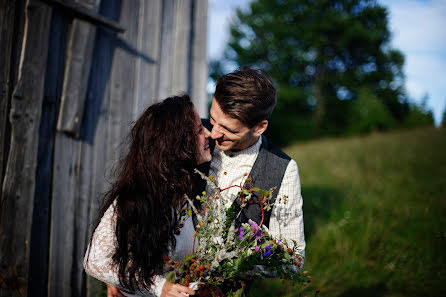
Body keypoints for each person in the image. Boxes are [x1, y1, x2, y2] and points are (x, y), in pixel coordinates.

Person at [106, 66, 306, 296]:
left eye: (229, 129)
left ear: (259, 127)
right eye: (212, 119)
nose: (214, 133)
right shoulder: (190, 133)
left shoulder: (283, 170)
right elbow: (139, 191)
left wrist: (231, 264)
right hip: (147, 285)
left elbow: (293, 257)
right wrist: (116, 269)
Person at [84, 95, 212, 297]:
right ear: (178, 144)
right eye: (199, 131)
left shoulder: (184, 193)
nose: (209, 134)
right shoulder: (138, 198)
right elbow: (95, 261)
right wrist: (160, 287)